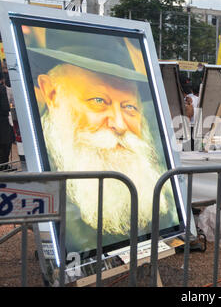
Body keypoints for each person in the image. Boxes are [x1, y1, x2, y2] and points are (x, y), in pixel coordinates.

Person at [25, 27, 179, 253]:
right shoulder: (45, 165)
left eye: (129, 106)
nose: (118, 124)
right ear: (52, 94)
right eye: (98, 100)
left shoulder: (157, 178)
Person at [0, 71, 15, 170]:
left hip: (4, 122)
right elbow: (12, 106)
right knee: (5, 147)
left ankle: (4, 166)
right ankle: (4, 166)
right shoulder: (8, 90)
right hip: (5, 123)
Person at [181, 82, 199, 150]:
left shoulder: (188, 98)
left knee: (188, 149)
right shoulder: (200, 98)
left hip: (190, 125)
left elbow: (189, 114)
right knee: (196, 148)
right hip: (198, 126)